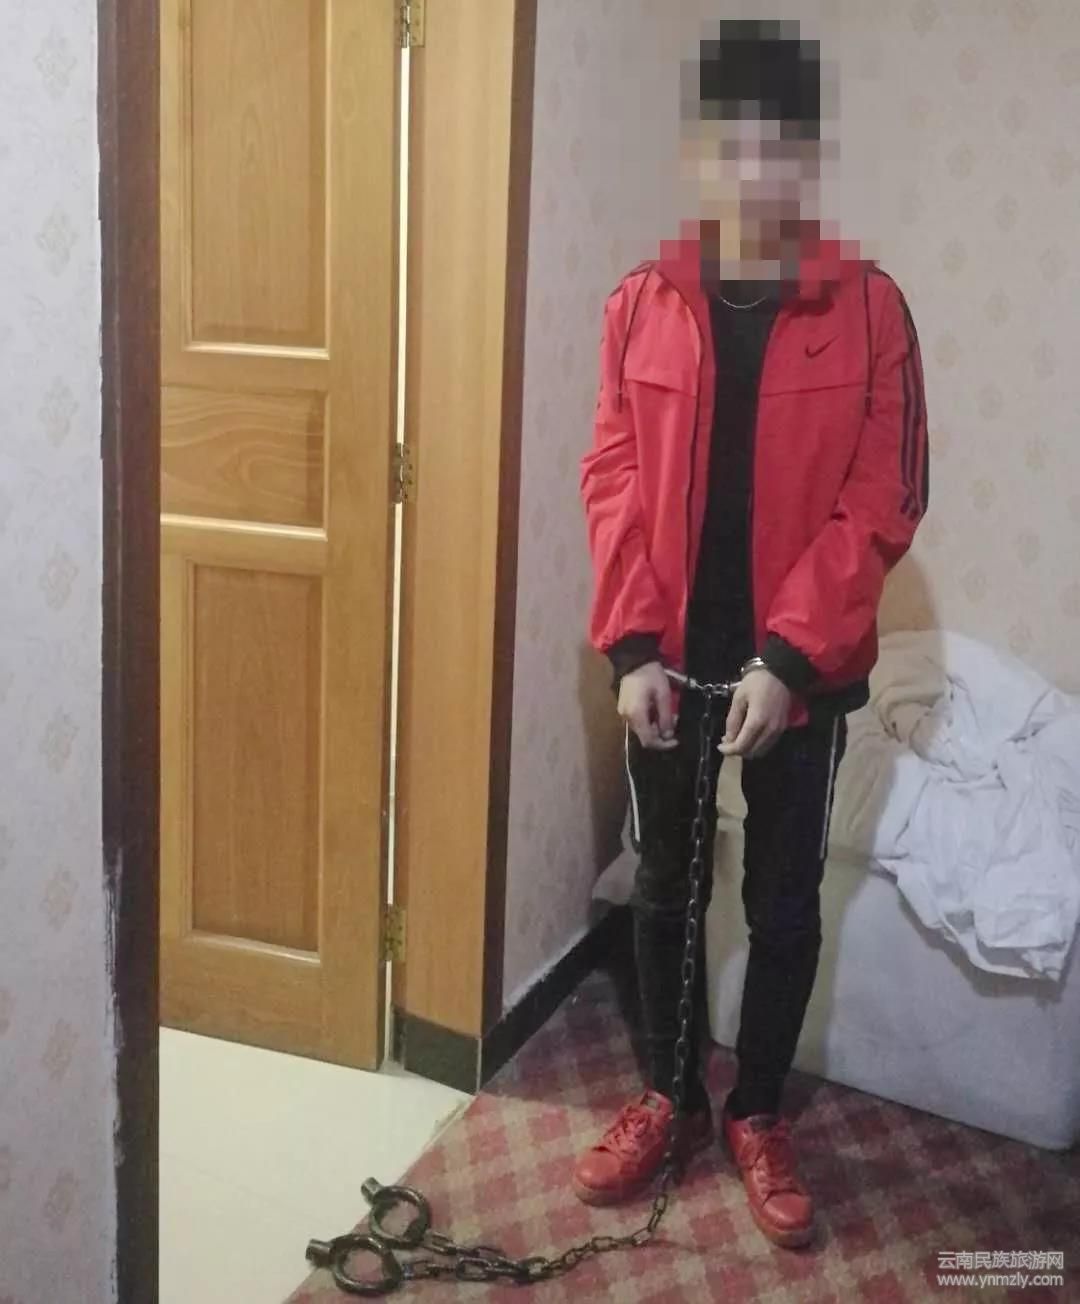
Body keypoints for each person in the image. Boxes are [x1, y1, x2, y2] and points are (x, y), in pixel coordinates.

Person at [576, 21, 929, 1249]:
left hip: (801, 671)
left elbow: (884, 497)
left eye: (777, 144)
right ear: (700, 152)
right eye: (730, 143)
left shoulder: (870, 309)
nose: (751, 169)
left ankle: (759, 1108)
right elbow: (612, 474)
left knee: (782, 900)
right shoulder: (641, 304)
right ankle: (669, 1095)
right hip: (670, 658)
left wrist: (788, 658)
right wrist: (630, 644)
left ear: (806, 156)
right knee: (664, 880)